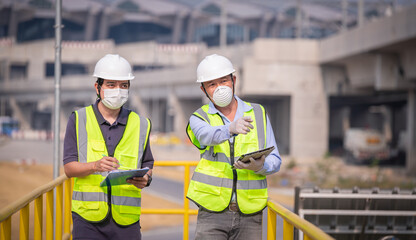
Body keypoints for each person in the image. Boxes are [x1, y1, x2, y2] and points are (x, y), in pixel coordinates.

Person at [186, 54, 282, 239]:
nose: (220, 88)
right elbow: (205, 136)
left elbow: (275, 159)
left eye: (223, 81)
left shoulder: (258, 112)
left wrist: (261, 167)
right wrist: (229, 128)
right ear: (203, 89)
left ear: (233, 80)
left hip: (250, 213)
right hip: (212, 211)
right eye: (212, 84)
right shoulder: (199, 117)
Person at [63, 54, 153, 240]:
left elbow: (147, 164)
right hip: (87, 220)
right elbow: (69, 168)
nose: (118, 90)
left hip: (127, 221)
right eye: (111, 85)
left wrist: (146, 179)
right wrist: (95, 166)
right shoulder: (79, 119)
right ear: (98, 87)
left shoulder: (141, 124)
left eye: (123, 85)